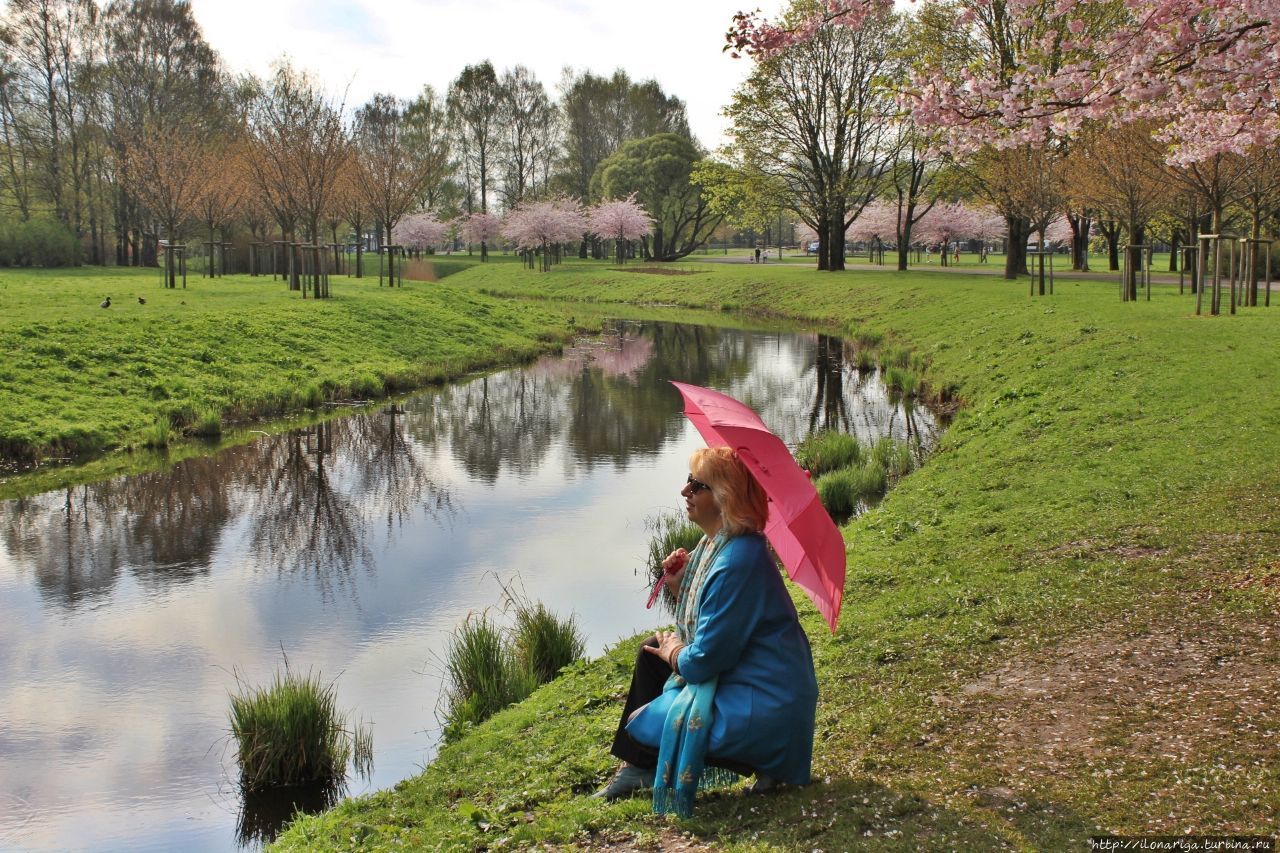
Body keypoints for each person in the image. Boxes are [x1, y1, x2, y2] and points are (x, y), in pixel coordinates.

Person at [593, 447, 819, 815]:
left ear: (725, 497)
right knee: (651, 650)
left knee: (661, 658)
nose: (685, 491)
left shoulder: (737, 560)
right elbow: (716, 617)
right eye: (688, 481)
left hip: (769, 701)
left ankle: (765, 759)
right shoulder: (718, 544)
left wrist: (674, 653)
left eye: (697, 485)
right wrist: (680, 583)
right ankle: (639, 767)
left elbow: (703, 662)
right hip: (754, 680)